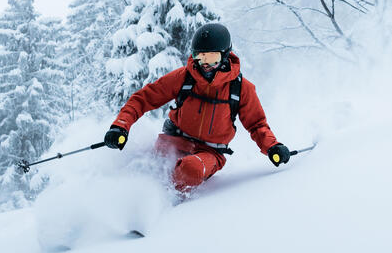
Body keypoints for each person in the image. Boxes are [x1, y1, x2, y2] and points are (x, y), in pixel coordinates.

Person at [104, 22, 291, 192]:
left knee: (189, 170)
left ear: (225, 55)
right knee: (140, 168)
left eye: (211, 57)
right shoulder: (184, 77)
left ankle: (166, 209)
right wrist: (120, 126)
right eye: (200, 57)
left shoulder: (240, 88)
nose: (205, 64)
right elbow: (143, 99)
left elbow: (257, 124)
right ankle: (122, 209)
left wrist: (273, 147)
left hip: (208, 152)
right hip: (173, 141)